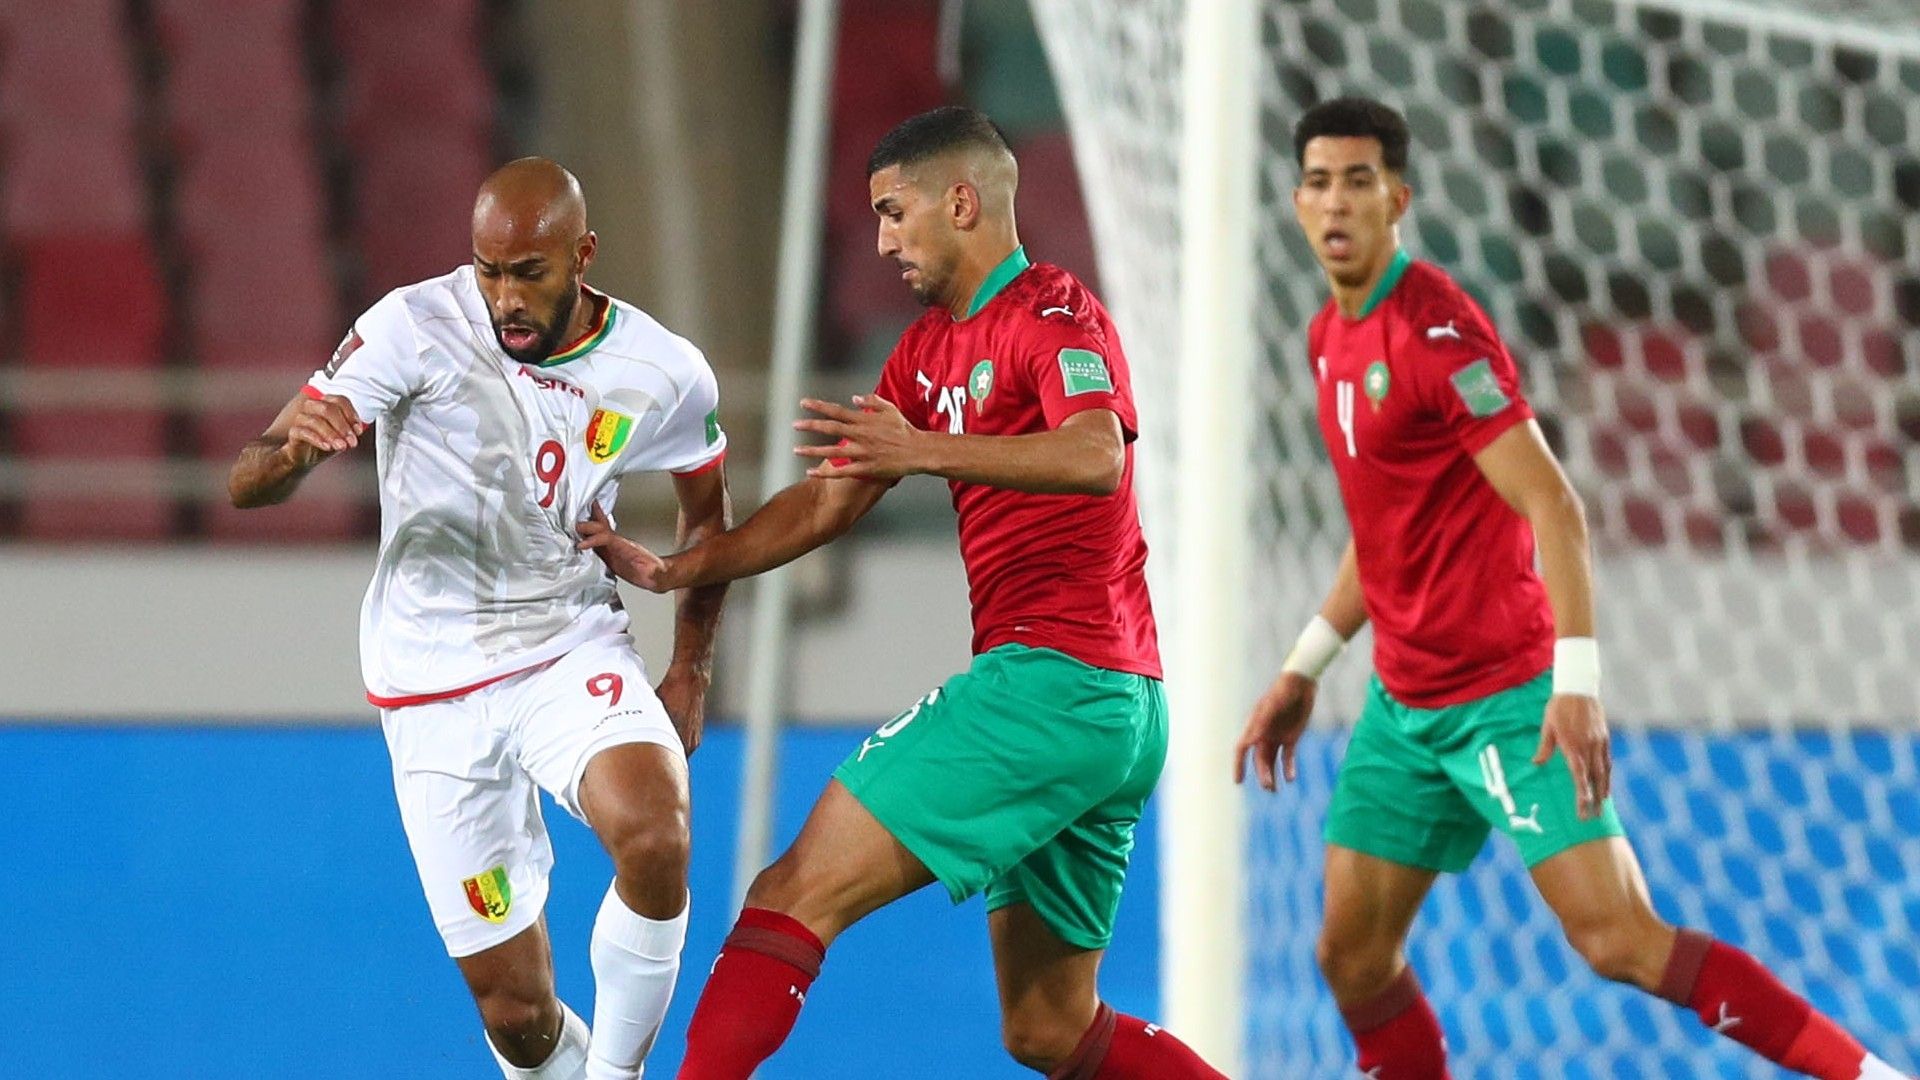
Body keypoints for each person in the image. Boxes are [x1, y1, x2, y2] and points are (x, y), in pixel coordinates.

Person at [1233, 96, 1908, 1080]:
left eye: (1361, 181)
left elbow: (1556, 507)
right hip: (1402, 706)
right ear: (1297, 203)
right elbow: (1385, 536)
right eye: (1322, 182)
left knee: (1620, 942)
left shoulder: (1436, 335)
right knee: (1350, 955)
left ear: (1399, 199)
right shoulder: (1327, 337)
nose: (1338, 202)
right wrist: (1305, 666)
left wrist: (1575, 684)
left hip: (1504, 699)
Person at [577, 106, 1225, 1080]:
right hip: (1109, 707)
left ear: (960, 202)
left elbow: (1096, 454)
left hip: (1056, 681)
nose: (881, 241)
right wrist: (688, 567)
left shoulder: (1054, 313)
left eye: (894, 211)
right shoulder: (926, 352)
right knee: (1050, 1027)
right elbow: (832, 499)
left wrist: (923, 450)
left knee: (789, 893)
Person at [228, 158, 732, 1080]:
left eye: (527, 274)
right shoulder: (412, 327)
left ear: (582, 255)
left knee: (657, 834)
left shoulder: (663, 371)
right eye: (488, 270)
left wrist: (691, 666)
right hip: (431, 687)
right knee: (519, 1019)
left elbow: (708, 520)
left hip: (565, 644)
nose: (503, 296)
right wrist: (296, 451)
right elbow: (246, 477)